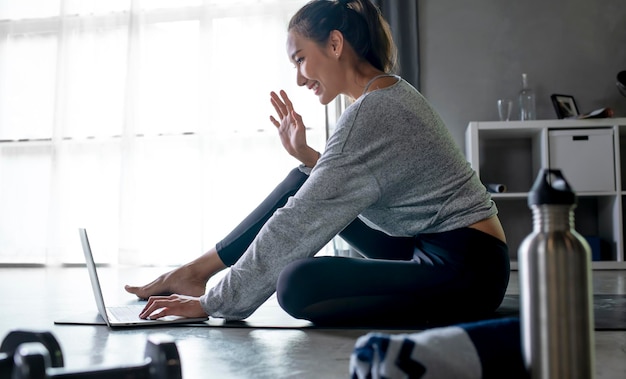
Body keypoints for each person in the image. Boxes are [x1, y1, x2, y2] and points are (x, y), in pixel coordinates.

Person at [125, 0, 510, 326]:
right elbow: (351, 184)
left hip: (467, 269)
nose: (298, 78)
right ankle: (194, 273)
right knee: (303, 176)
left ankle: (197, 280)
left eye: (301, 59)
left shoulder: (372, 112)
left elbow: (297, 223)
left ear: (336, 44)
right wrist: (309, 156)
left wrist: (213, 303)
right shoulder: (384, 94)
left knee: (296, 282)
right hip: (428, 243)